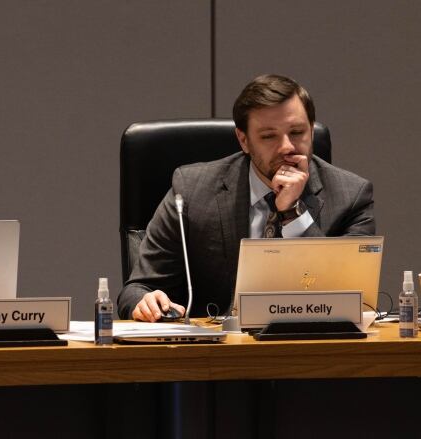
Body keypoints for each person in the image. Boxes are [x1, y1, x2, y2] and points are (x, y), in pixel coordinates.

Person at [117, 74, 375, 322]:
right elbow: (137, 289)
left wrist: (293, 213)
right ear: (244, 140)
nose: (287, 146)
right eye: (269, 136)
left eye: (297, 132)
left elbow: (354, 300)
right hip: (221, 357)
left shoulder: (351, 195)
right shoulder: (192, 191)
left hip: (314, 355)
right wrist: (146, 301)